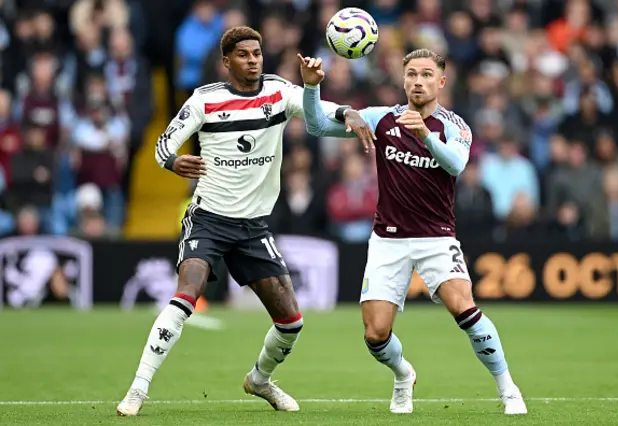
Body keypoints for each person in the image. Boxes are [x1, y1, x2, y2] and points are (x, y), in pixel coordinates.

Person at [116, 26, 374, 416]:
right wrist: (173, 161)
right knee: (187, 293)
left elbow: (317, 113)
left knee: (291, 321)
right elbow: (162, 144)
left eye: (257, 53)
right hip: (208, 219)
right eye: (244, 55)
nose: (253, 59)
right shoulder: (206, 100)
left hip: (253, 227)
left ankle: (259, 380)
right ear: (227, 62)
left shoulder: (279, 91)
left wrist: (343, 109)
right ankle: (138, 389)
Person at [299, 48, 527, 415]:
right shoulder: (383, 118)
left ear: (441, 81)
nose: (418, 81)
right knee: (375, 334)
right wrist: (311, 89)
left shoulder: (455, 126)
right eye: (411, 75)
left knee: (463, 307)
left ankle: (507, 387)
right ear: (402, 80)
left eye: (425, 75)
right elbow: (316, 126)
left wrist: (426, 137)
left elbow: (456, 165)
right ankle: (403, 373)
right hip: (388, 239)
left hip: (437, 236)